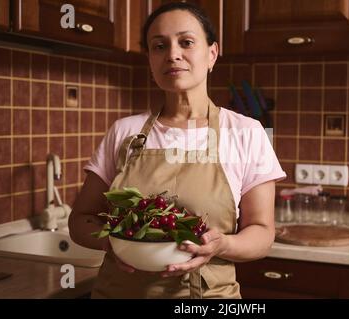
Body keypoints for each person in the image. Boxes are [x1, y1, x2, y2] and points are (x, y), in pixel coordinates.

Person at [68, 2, 286, 299]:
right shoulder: (124, 132)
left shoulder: (246, 132)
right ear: (150, 60)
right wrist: (112, 243)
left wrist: (222, 245)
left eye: (186, 42)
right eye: (159, 46)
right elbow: (81, 219)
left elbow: (262, 232)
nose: (172, 54)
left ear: (212, 54)